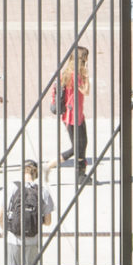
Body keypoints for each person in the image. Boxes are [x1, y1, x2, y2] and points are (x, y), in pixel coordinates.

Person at [4, 160, 54, 265]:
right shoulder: (42, 191)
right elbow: (48, 221)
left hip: (14, 239)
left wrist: (8, 227)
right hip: (33, 240)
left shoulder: (12, 188)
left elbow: (0, 214)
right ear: (36, 173)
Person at [53, 46, 91, 183]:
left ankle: (81, 174)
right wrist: (87, 78)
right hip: (74, 115)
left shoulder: (67, 73)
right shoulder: (78, 76)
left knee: (81, 144)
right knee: (78, 146)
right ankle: (52, 165)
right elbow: (86, 91)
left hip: (71, 114)